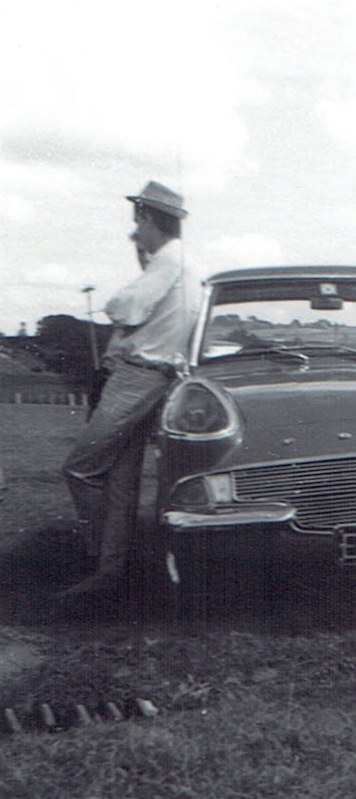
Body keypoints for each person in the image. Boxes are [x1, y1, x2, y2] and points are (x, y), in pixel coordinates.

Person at [60, 181, 200, 600]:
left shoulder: (167, 262)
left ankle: (100, 553)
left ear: (146, 218)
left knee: (81, 468)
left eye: (137, 223)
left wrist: (119, 303)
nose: (135, 234)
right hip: (153, 376)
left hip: (138, 377)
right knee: (120, 480)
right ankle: (111, 573)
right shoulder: (181, 263)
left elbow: (124, 307)